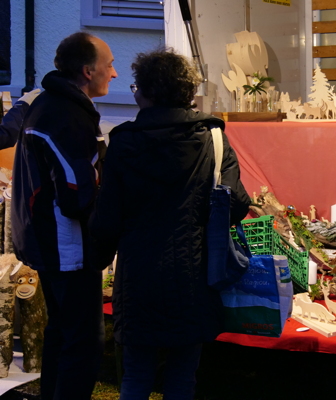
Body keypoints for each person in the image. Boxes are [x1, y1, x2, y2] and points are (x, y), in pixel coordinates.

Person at [89, 49, 250, 399]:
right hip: (194, 275)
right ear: (187, 92)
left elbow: (107, 218)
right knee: (181, 378)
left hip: (138, 277)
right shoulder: (213, 139)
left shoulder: (123, 142)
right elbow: (237, 204)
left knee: (136, 376)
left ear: (145, 92)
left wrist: (93, 263)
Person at [11, 31, 118, 399]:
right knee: (84, 343)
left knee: (62, 331)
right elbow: (75, 193)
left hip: (47, 242)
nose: (114, 74)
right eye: (110, 65)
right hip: (66, 248)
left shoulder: (53, 105)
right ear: (88, 71)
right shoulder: (66, 115)